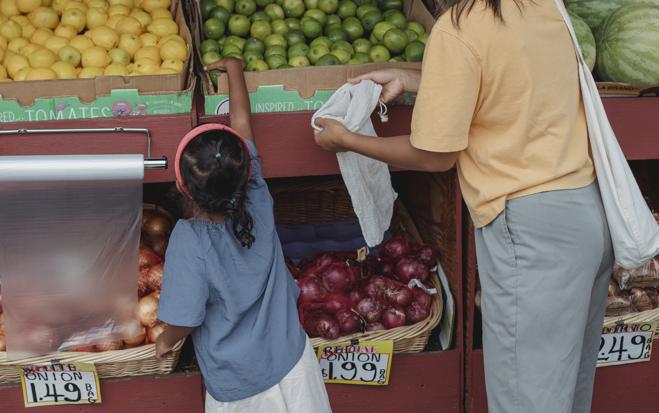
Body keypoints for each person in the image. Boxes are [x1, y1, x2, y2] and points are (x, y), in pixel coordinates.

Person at [314, 1, 613, 412]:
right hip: (585, 215)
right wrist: (412, 76)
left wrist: (347, 140)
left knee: (527, 403)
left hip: (530, 231)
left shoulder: (459, 28)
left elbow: (436, 155)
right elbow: (502, 81)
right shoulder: (542, 6)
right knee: (566, 395)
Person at [155, 57, 332, 413]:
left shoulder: (189, 239)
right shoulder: (257, 196)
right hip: (294, 364)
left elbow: (184, 319)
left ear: (182, 187)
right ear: (246, 171)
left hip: (241, 387)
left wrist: (164, 341)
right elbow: (242, 125)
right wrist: (235, 70)